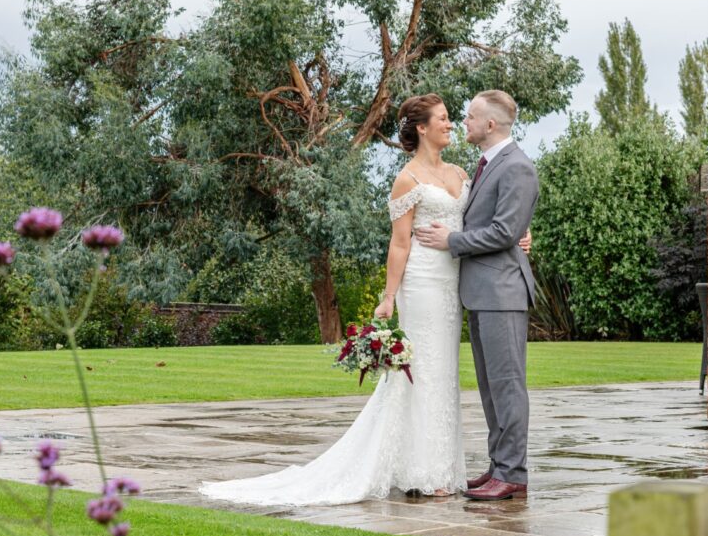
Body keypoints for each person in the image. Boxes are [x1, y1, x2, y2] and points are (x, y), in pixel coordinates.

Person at [199, 93, 529, 506]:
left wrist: (518, 237)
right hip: (423, 283)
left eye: (456, 118)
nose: (453, 124)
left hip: (455, 286)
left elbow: (490, 219)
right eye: (444, 119)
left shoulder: (464, 173)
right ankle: (422, 471)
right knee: (420, 373)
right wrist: (388, 297)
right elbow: (399, 244)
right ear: (421, 128)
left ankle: (446, 467)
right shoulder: (407, 179)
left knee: (444, 375)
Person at [415, 89, 538, 501]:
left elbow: (505, 231)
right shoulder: (487, 165)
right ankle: (497, 467)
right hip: (481, 291)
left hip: (502, 291)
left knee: (507, 385)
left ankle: (513, 473)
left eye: (469, 117)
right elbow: (506, 229)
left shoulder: (517, 167)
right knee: (490, 387)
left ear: (490, 124)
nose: (462, 123)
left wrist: (453, 239)